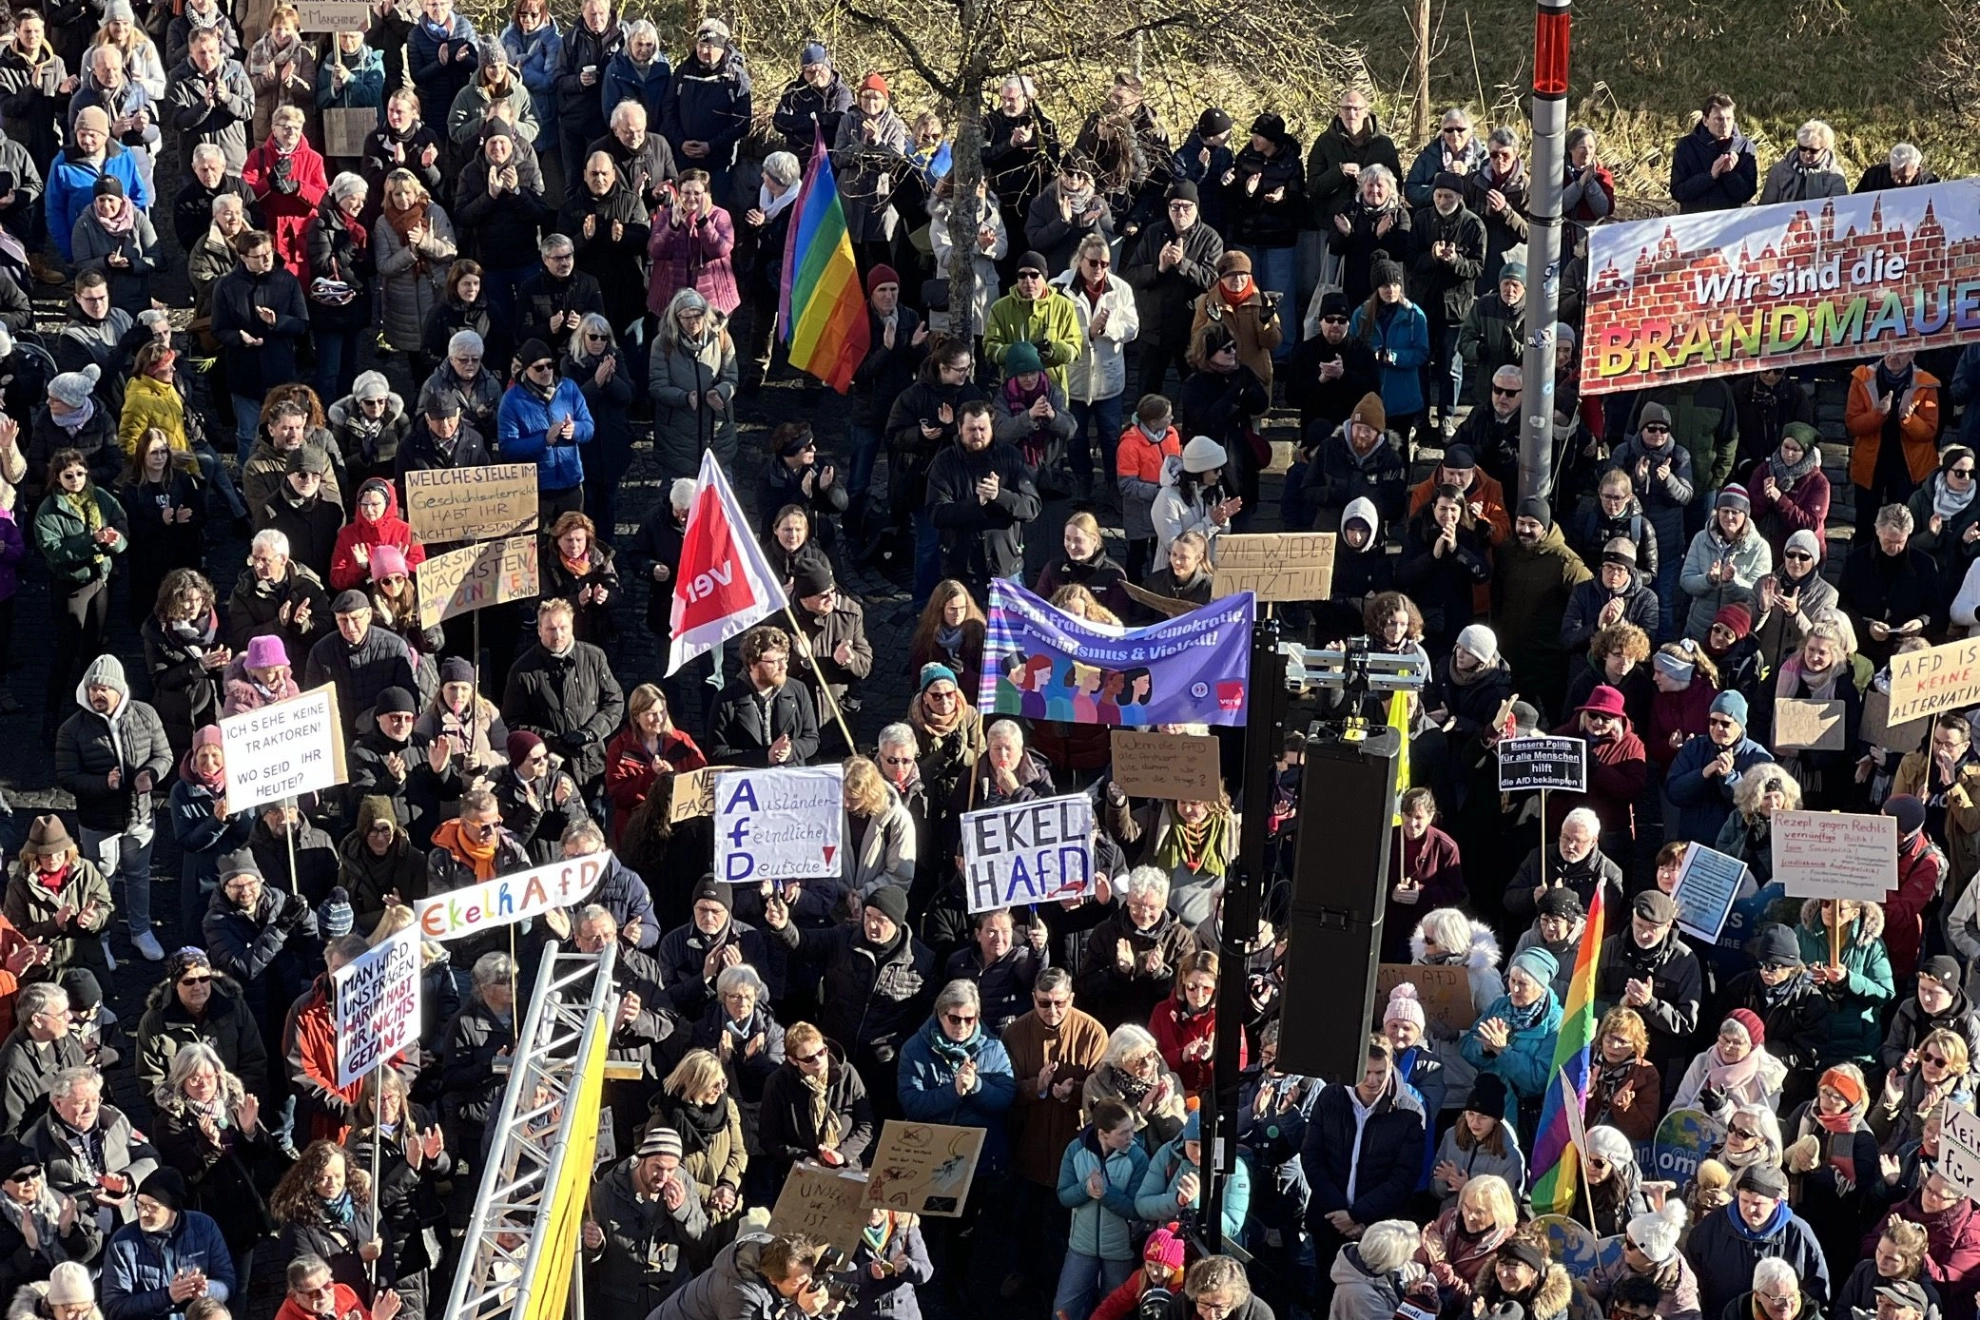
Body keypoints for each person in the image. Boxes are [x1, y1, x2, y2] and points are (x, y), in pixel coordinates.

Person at [54, 654, 168, 963]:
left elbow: (164, 754)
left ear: (120, 690)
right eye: (93, 688)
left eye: (104, 688)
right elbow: (67, 776)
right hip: (98, 822)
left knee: (139, 875)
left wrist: (152, 775)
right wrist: (103, 783)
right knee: (101, 880)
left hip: (140, 816)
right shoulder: (72, 728)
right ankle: (101, 938)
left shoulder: (146, 715)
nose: (97, 694)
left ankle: (140, 931)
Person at [1303, 1035, 1425, 1273]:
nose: (1372, 1081)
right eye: (1366, 1072)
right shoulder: (1329, 1098)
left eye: (1380, 1073)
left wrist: (1358, 1215)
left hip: (1379, 1230)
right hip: (1328, 1220)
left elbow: (1403, 1178)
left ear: (1391, 1067)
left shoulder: (1409, 1110)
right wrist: (1339, 1211)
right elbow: (1312, 1157)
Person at [502, 598, 625, 798]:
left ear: (572, 626)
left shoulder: (594, 657)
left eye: (563, 627)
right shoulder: (522, 671)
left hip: (593, 764)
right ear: (539, 630)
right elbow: (514, 722)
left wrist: (591, 732)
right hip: (550, 771)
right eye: (550, 629)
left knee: (594, 825)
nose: (558, 635)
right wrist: (552, 741)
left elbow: (614, 702)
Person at [582, 1126, 708, 1314]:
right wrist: (593, 1246)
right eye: (657, 1167)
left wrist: (682, 1210)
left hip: (671, 1299)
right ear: (642, 1160)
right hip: (624, 1304)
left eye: (671, 1169)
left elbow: (702, 1239)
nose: (663, 1177)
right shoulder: (606, 1192)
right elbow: (581, 1258)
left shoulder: (684, 1183)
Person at [99, 1167, 236, 1320]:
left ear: (173, 1207)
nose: (143, 1213)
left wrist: (206, 1290)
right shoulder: (122, 1243)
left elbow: (227, 1283)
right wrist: (167, 1296)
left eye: (152, 1208)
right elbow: (114, 1309)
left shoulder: (204, 1227)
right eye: (139, 1205)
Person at [648, 287, 739, 483]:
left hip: (717, 435)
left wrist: (719, 392)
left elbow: (731, 377)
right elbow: (657, 386)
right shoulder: (663, 343)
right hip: (677, 437)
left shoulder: (721, 338)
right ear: (676, 319)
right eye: (685, 317)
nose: (693, 322)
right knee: (679, 506)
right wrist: (684, 397)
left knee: (721, 504)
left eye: (697, 315)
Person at [707, 624, 820, 768]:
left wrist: (790, 750)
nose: (783, 666)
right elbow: (717, 753)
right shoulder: (726, 699)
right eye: (774, 662)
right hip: (748, 782)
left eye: (784, 659)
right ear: (752, 663)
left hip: (790, 781)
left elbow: (812, 739)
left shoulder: (798, 690)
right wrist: (765, 756)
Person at [1670, 94, 1758, 214]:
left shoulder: (1745, 148)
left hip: (1729, 222)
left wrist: (1729, 175)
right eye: (1719, 119)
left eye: (1729, 119)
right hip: (1694, 222)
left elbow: (1747, 194)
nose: (1725, 125)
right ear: (1705, 120)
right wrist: (1710, 176)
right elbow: (1678, 192)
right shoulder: (1686, 146)